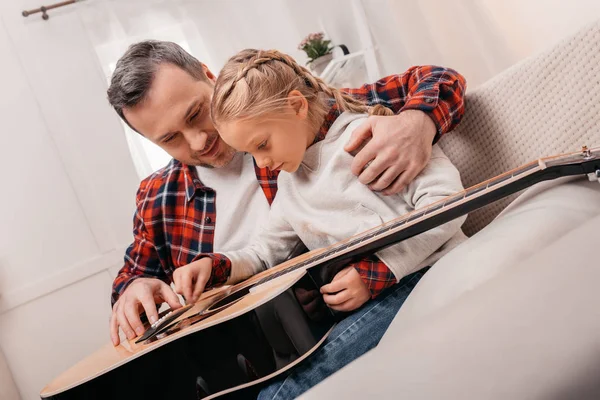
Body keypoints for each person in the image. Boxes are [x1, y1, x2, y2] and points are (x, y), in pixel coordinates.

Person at [107, 41, 466, 354]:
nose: (198, 141)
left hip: (345, 313)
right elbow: (134, 280)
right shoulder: (158, 197)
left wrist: (418, 122)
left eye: (196, 113)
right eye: (171, 139)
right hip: (244, 354)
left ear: (208, 75)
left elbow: (438, 80)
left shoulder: (298, 120)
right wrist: (133, 290)